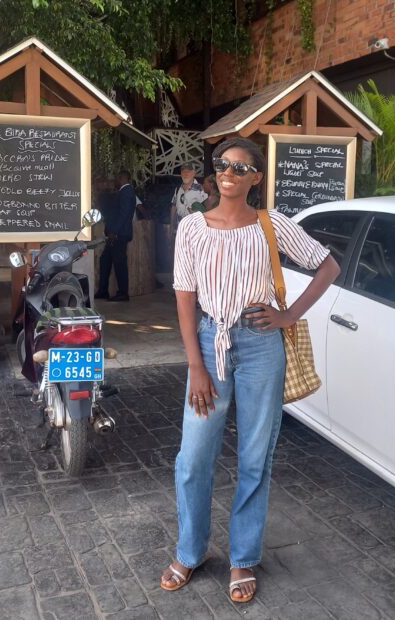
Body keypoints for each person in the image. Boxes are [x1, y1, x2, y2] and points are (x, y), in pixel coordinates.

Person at [160, 138, 340, 603]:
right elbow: (184, 296)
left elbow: (328, 266)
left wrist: (288, 315)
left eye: (241, 168)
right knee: (194, 456)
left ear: (256, 178)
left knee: (256, 457)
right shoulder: (193, 228)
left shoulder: (271, 224)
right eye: (223, 165)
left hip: (262, 345)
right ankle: (190, 550)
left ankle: (242, 558)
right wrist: (195, 366)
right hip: (210, 344)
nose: (229, 173)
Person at [96, 170, 136, 302]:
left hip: (119, 234)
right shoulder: (124, 192)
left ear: (122, 178)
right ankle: (103, 290)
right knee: (105, 260)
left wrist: (115, 231)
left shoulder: (126, 192)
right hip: (116, 233)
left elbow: (124, 214)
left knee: (119, 263)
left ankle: (123, 293)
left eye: (117, 178)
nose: (115, 181)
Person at [170, 162, 208, 234]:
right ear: (181, 174)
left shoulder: (201, 189)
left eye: (189, 171)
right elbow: (173, 207)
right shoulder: (177, 189)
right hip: (180, 230)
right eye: (183, 171)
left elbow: (207, 210)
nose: (186, 174)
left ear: (194, 173)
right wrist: (171, 227)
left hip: (196, 231)